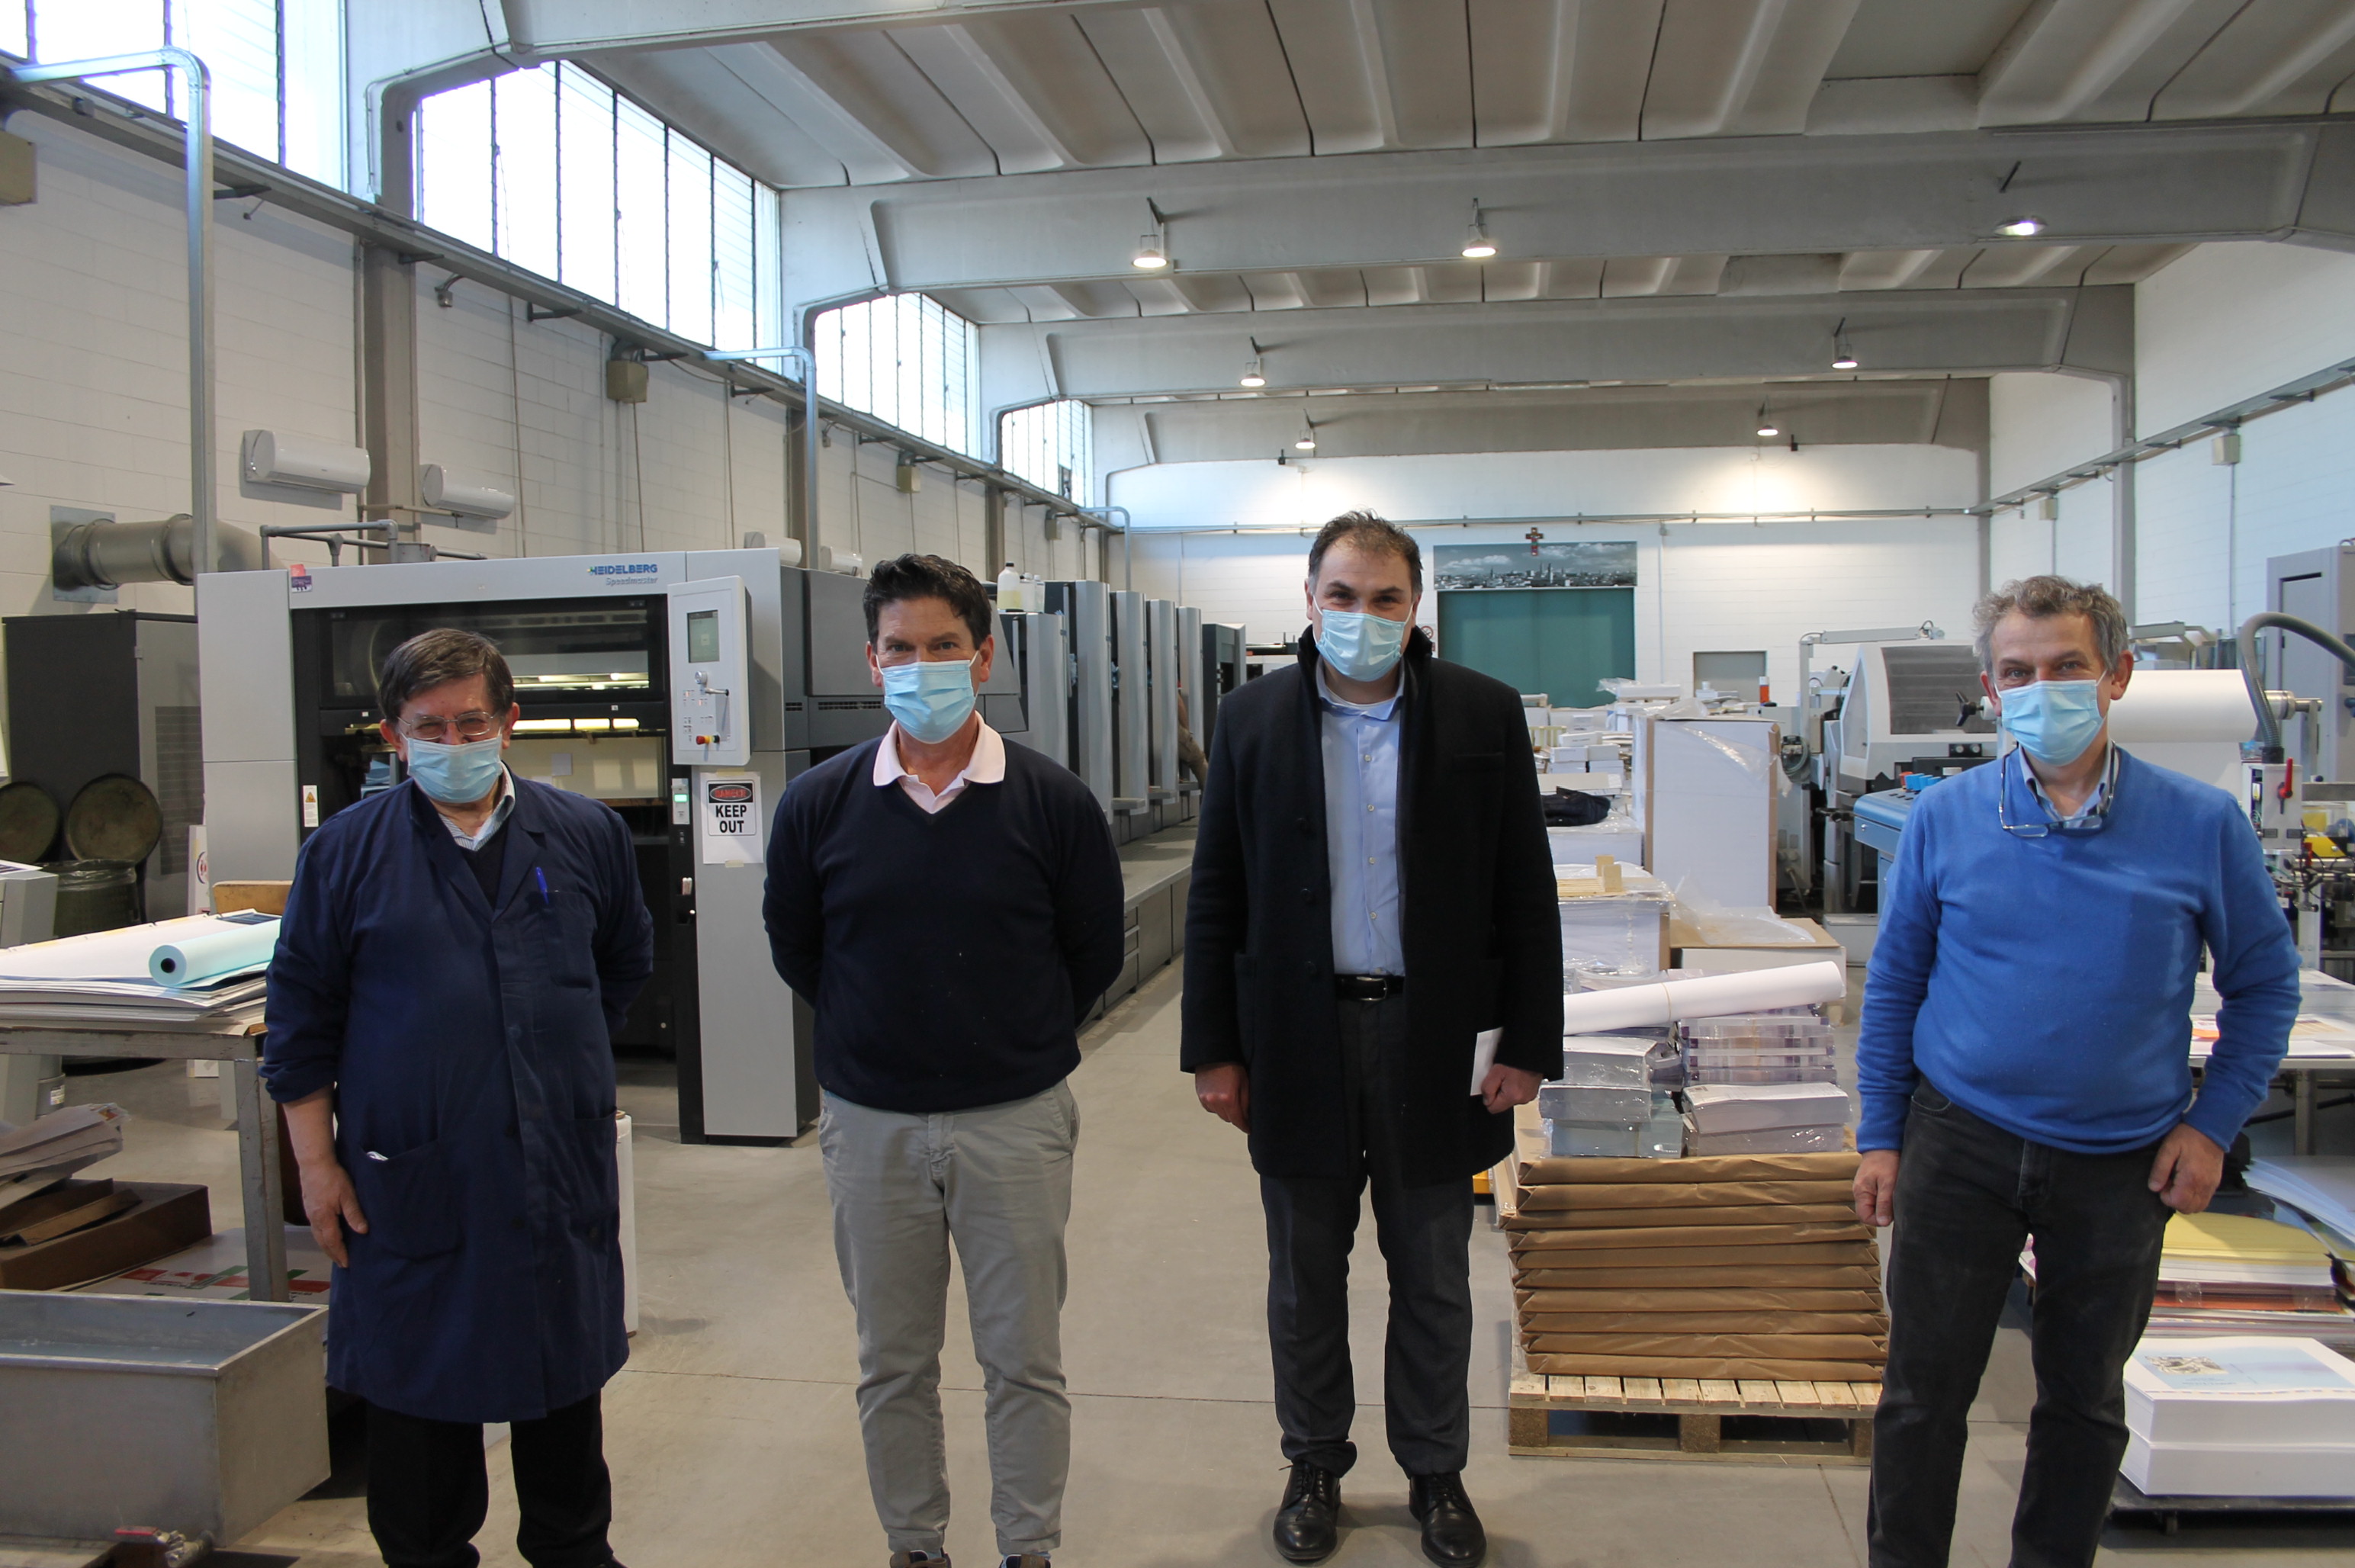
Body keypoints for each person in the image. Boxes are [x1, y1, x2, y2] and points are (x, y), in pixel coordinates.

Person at [1854, 575, 2298, 1568]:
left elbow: (2266, 986)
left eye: (2066, 667)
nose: (2039, 689)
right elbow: (1894, 986)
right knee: (1922, 1396)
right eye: (2017, 672)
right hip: (1960, 1143)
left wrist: (2212, 1125)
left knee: (2084, 1402)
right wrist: (1881, 1133)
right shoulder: (1947, 818)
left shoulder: (2199, 824)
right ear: (1990, 688)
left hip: (2119, 1160)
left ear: (2117, 675)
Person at [1181, 512, 1563, 1568]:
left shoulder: (1480, 714)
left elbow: (1523, 886)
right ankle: (1313, 1463)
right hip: (1295, 1033)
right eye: (1341, 596)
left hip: (1434, 1034)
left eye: (1384, 597)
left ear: (1414, 605)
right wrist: (1214, 1047)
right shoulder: (1252, 719)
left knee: (1432, 1272)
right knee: (1305, 1272)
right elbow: (1217, 892)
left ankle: (1436, 1472)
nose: (1362, 615)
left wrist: (1529, 1037)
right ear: (1309, 603)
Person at [763, 553, 1126, 1568]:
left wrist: (1007, 1038)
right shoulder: (819, 803)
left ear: (984, 657)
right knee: (892, 1362)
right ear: (871, 661)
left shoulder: (1052, 801)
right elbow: (798, 946)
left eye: (943, 647)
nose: (920, 667)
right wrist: (881, 1035)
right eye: (900, 649)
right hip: (870, 1124)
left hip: (1014, 1119)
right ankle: (914, 1545)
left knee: (1024, 1360)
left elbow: (1093, 951)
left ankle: (1027, 1547)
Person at [265, 628, 654, 1568]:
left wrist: (538, 1051)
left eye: (472, 723)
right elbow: (301, 1018)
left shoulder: (585, 833)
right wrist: (316, 1166)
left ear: (508, 722)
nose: (453, 742)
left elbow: (622, 964)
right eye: (429, 727)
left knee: (565, 1427)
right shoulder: (345, 854)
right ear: (393, 736)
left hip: (553, 1168)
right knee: (421, 1432)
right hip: (412, 1177)